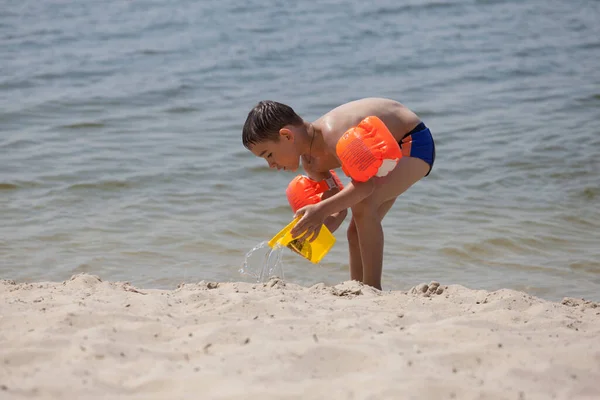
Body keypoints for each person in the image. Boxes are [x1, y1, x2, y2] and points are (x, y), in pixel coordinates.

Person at [242, 97, 435, 290]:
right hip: (384, 156)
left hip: (412, 142)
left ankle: (373, 288)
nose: (271, 165)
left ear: (286, 136)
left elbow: (364, 188)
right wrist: (312, 228)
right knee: (355, 229)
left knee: (363, 205)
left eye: (268, 155)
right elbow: (338, 212)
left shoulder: (333, 133)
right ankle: (357, 286)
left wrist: (320, 210)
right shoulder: (311, 163)